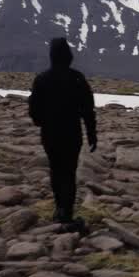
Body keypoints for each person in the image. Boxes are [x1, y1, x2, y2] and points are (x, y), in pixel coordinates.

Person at [27, 37, 97, 231]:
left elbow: (33, 110)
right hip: (72, 134)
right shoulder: (77, 78)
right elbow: (88, 109)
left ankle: (60, 210)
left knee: (56, 171)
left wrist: (41, 122)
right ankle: (67, 212)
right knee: (69, 172)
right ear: (68, 56)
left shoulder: (42, 79)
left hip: (50, 134)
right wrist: (92, 134)